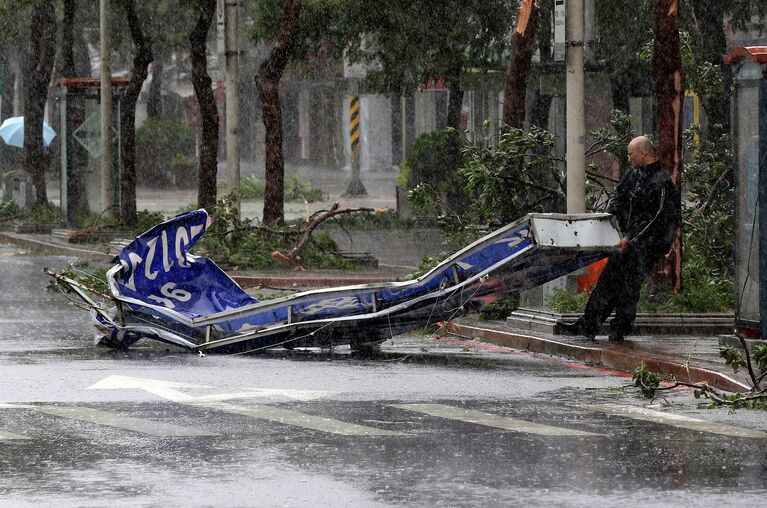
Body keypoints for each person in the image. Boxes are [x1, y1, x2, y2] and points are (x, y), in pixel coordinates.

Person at [559, 136, 679, 341]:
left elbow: (656, 219)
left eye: (631, 153)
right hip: (625, 241)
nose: (628, 157)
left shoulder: (661, 182)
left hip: (645, 246)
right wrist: (609, 217)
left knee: (629, 287)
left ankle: (619, 329)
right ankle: (589, 324)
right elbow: (619, 197)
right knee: (607, 282)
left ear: (643, 153)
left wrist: (632, 240)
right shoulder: (633, 174)